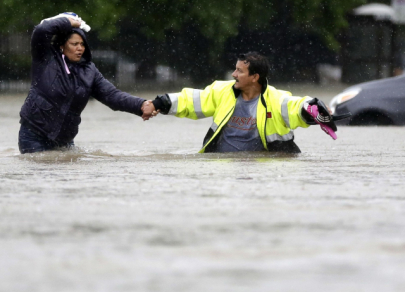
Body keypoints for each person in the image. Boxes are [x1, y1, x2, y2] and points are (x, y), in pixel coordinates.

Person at [143, 52, 349, 153]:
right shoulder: (222, 91)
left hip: (263, 172)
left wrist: (312, 109)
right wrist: (159, 103)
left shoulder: (275, 99)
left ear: (254, 77)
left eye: (239, 71)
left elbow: (295, 106)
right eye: (235, 69)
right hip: (223, 173)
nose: (233, 74)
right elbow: (191, 99)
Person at [18, 13, 156, 154]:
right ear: (61, 46)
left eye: (82, 44)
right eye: (74, 44)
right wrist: (69, 22)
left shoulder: (90, 71)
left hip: (64, 139)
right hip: (34, 135)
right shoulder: (45, 57)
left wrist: (141, 105)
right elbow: (42, 30)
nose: (80, 48)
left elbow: (113, 96)